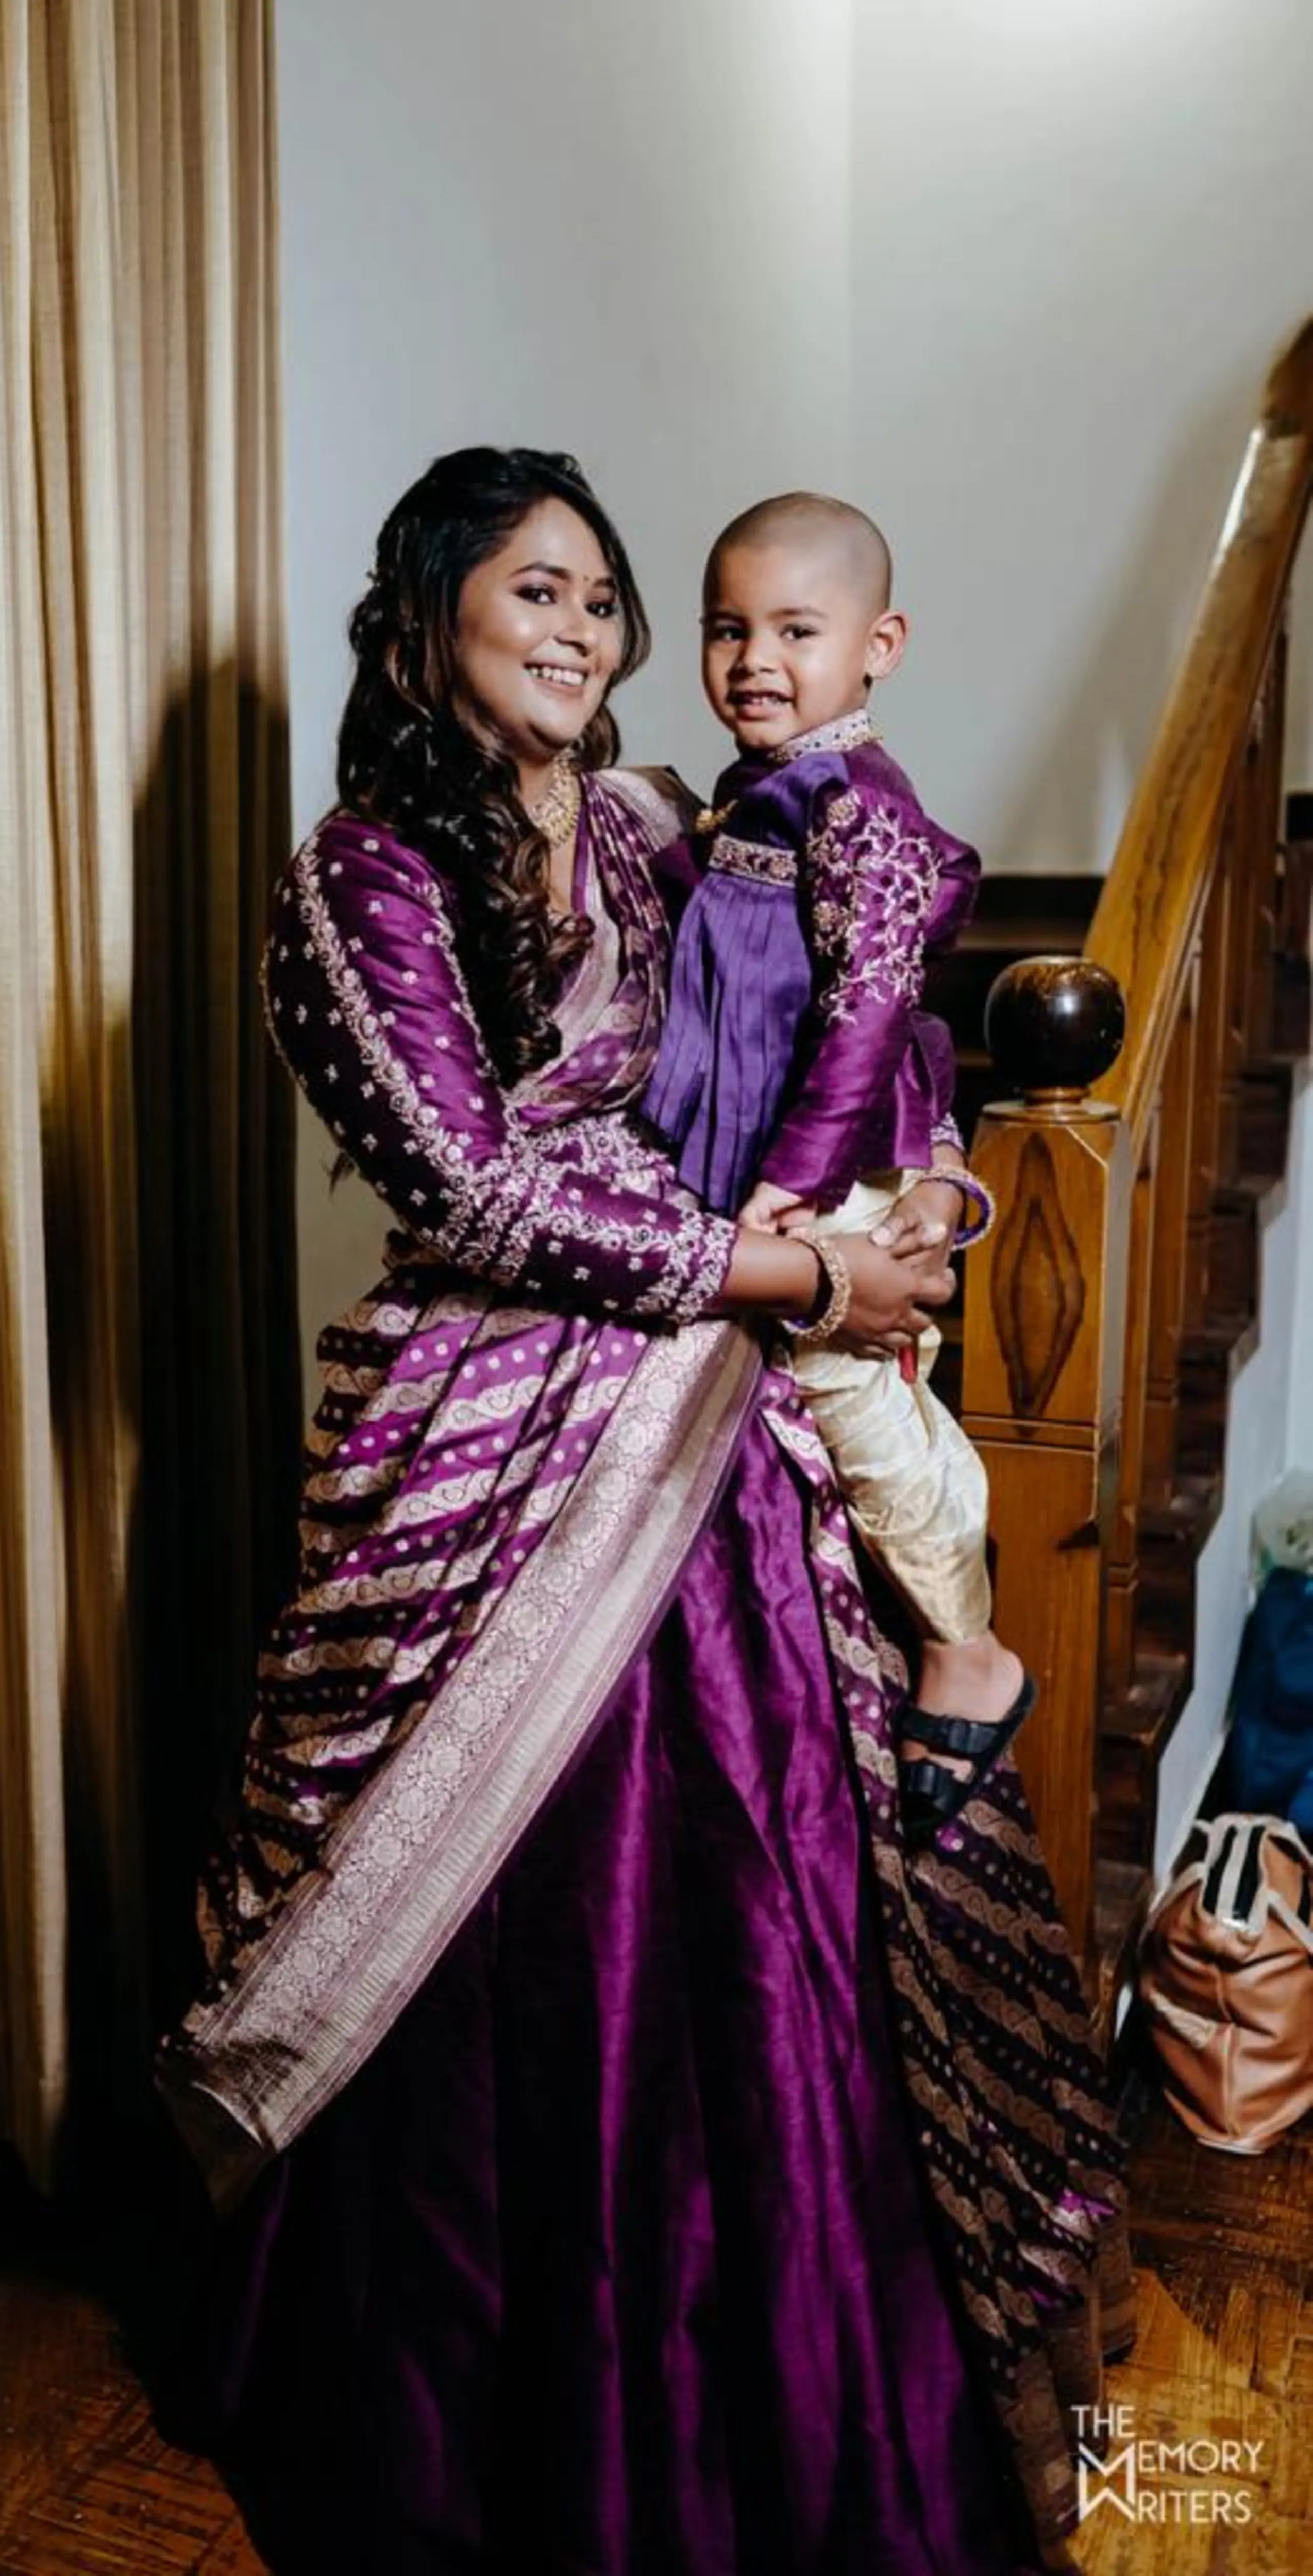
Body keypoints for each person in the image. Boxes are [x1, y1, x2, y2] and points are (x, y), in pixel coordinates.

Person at [157, 447, 1130, 2574]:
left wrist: (906, 1186)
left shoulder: (651, 827)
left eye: (604, 596)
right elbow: (471, 1191)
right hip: (502, 1414)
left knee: (780, 1865)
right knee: (539, 1914)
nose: (587, 632)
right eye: (539, 591)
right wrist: (794, 1272)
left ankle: (785, 2350)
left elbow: (822, 1044)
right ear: (427, 619)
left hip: (715, 1409)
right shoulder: (365, 878)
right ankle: (489, 2374)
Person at [642, 491, 1030, 1844]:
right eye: (727, 628)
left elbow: (874, 1009)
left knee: (851, 1399)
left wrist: (804, 1182)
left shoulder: (858, 803)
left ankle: (968, 1644)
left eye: (797, 629)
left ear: (882, 644)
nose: (756, 658)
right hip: (742, 1167)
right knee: (813, 1412)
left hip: (808, 1179)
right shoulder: (760, 795)